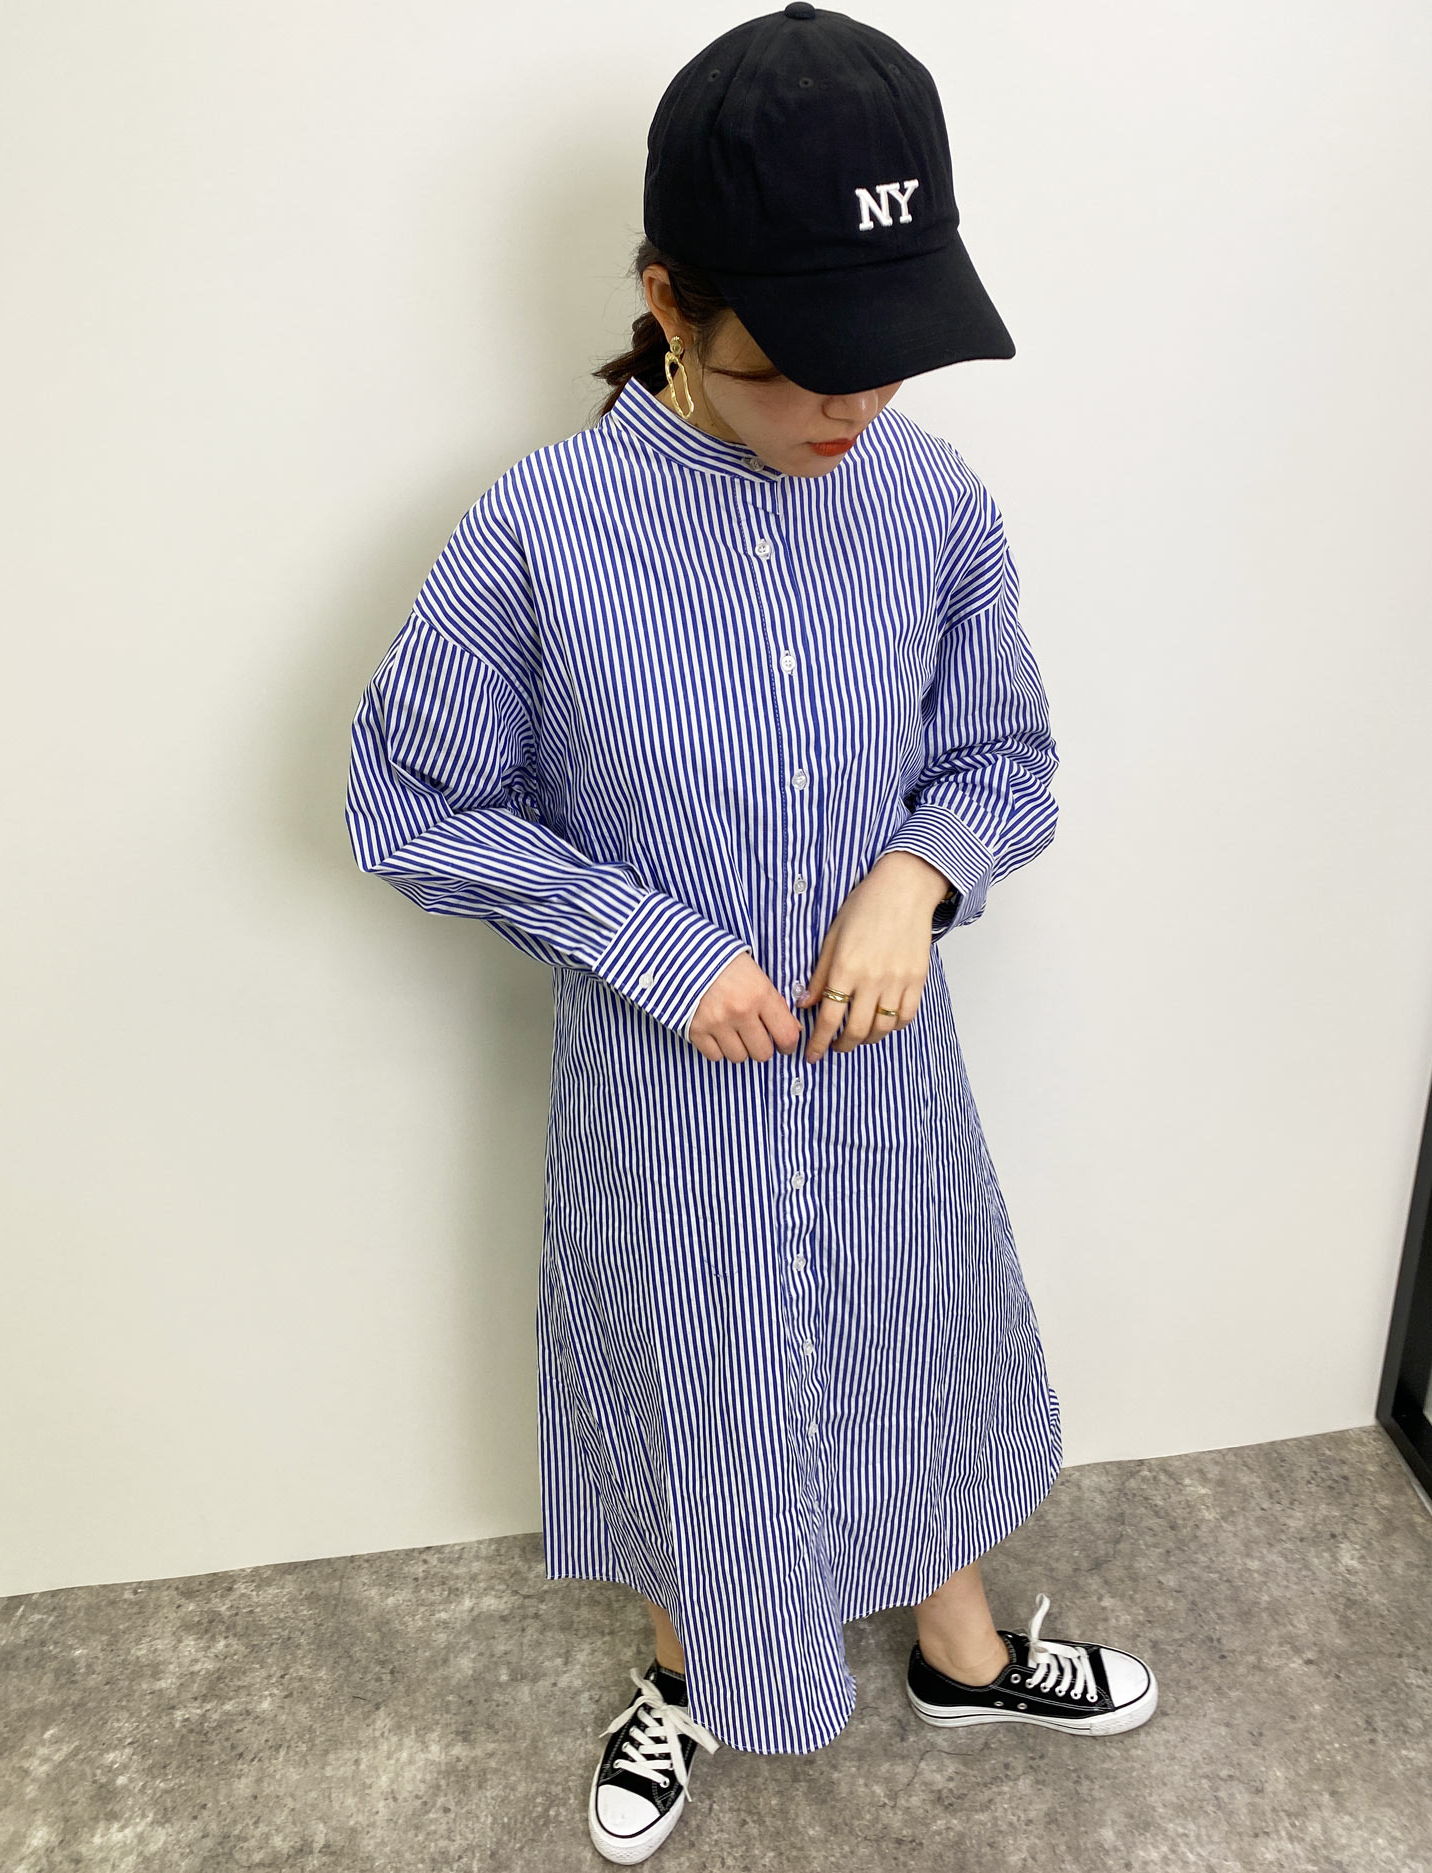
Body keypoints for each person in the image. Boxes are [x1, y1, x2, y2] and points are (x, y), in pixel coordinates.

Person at [345, 5, 1157, 1862]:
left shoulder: (931, 499)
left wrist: (915, 877)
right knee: (690, 1377)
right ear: (670, 303)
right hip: (671, 1093)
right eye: (800, 370)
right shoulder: (541, 531)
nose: (849, 412)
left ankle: (961, 1647)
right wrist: (652, 941)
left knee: (912, 1333)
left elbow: (1005, 755)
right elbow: (411, 797)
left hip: (886, 1069)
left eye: (884, 360)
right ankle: (687, 1671)